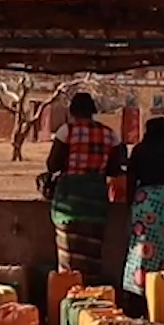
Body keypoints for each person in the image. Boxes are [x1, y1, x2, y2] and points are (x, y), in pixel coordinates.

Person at [45, 92, 123, 284]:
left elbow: (52, 164)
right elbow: (115, 169)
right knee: (91, 255)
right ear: (92, 112)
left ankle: (68, 293)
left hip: (69, 201)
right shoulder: (109, 134)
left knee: (69, 255)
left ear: (72, 112)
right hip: (96, 201)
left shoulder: (66, 131)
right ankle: (91, 296)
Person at [122, 118, 164, 317]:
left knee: (139, 253)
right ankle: (162, 297)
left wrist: (130, 208)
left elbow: (131, 180)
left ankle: (137, 300)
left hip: (143, 201)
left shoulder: (139, 150)